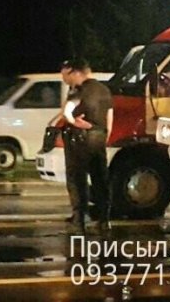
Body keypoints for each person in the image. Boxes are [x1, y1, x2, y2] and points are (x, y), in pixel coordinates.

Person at [60, 59, 113, 234]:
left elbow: (67, 112)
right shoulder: (104, 90)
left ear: (75, 72)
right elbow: (110, 118)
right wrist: (104, 135)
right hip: (98, 137)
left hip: (78, 139)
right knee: (100, 179)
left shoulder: (78, 91)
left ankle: (79, 221)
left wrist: (72, 121)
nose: (64, 79)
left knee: (77, 180)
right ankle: (104, 220)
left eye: (65, 75)